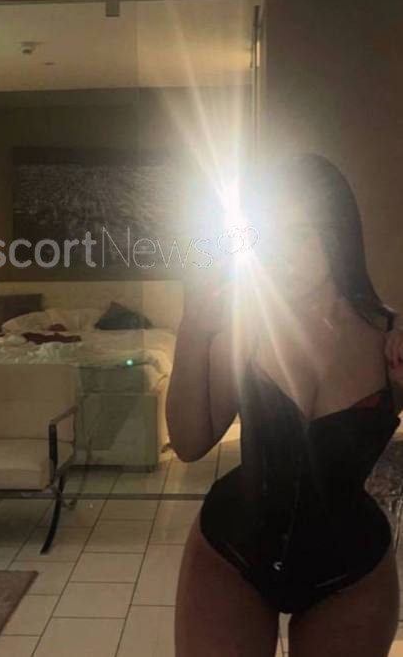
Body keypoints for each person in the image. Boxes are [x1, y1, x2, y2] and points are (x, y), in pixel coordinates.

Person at [167, 153, 403, 657]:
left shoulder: (389, 336)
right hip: (232, 555)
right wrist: (194, 331)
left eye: (299, 234)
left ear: (338, 234)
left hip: (351, 572)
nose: (281, 256)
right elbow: (189, 443)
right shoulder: (246, 325)